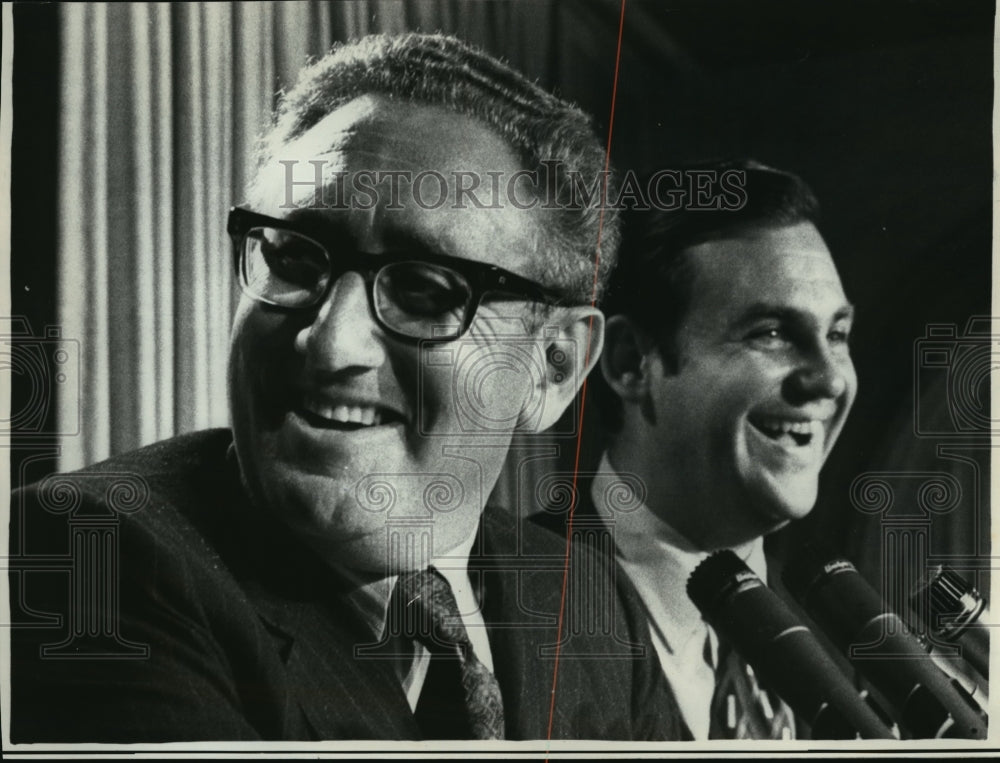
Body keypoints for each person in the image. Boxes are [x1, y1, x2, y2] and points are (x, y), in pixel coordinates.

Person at [9, 33, 682, 742]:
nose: (329, 343)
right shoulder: (92, 553)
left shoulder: (585, 595)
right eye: (296, 257)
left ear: (555, 366)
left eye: (425, 290)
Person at [587, 159, 858, 739]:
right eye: (772, 332)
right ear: (631, 362)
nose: (830, 380)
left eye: (837, 335)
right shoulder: (507, 612)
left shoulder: (843, 635)